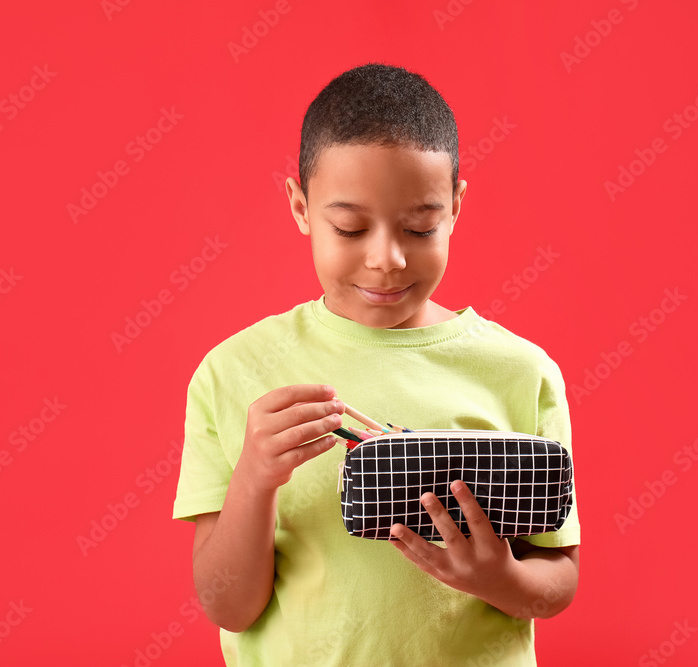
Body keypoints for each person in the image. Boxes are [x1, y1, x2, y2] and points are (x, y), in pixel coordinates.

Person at [172, 61, 580, 666]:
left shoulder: (521, 371)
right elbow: (229, 608)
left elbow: (558, 578)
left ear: (456, 207)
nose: (386, 259)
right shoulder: (233, 372)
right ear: (301, 207)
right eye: (350, 227)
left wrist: (498, 578)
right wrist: (255, 479)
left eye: (419, 228)